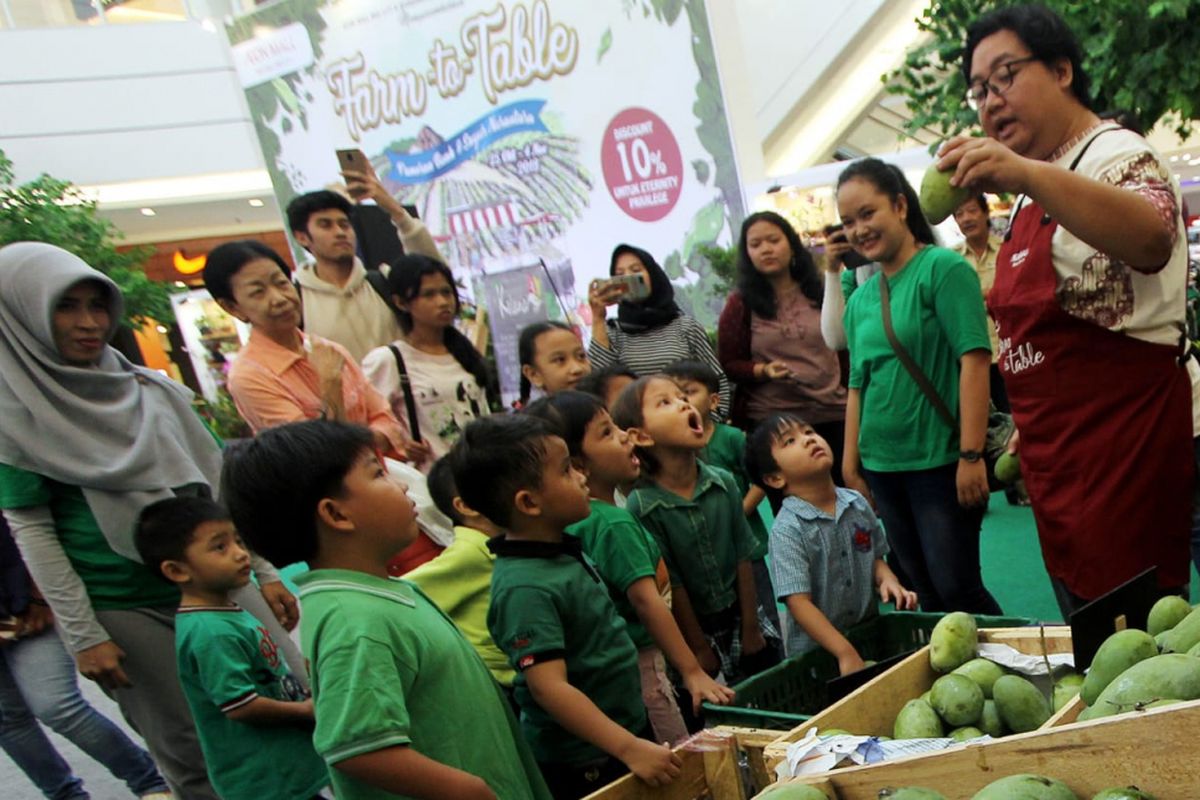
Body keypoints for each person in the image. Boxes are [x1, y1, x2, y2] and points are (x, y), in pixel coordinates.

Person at [0, 241, 301, 800]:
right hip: (126, 604)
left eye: (97, 305)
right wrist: (85, 634)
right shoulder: (13, 414)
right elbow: (33, 529)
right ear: (20, 316)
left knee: (294, 695)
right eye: (65, 308)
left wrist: (263, 569)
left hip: (221, 580)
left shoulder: (149, 388)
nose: (89, 323)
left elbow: (214, 486)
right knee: (190, 748)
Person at [941, 4, 1192, 615]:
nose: (990, 101)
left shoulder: (1113, 153)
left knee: (1140, 640)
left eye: (1005, 75)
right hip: (1061, 460)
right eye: (979, 88)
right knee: (1094, 629)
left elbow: (1153, 234)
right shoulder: (1030, 193)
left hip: (1128, 444)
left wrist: (1025, 171)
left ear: (1061, 70)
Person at [221, 419, 552, 800]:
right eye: (378, 473)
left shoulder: (373, 595)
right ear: (337, 515)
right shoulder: (354, 619)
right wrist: (472, 791)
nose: (402, 484)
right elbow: (357, 747)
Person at [455, 414, 680, 799]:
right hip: (587, 761)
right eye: (566, 471)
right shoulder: (524, 587)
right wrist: (627, 747)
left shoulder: (559, 549)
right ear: (528, 502)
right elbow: (549, 689)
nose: (582, 477)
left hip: (620, 733)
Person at [836, 159, 1002, 615]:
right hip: (882, 468)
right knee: (924, 593)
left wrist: (971, 456)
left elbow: (975, 360)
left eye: (868, 214)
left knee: (958, 588)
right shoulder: (862, 298)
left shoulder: (943, 270)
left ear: (901, 205)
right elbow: (857, 386)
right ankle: (959, 683)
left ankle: (1014, 672)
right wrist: (851, 468)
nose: (858, 229)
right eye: (848, 221)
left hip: (941, 462)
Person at [524, 392, 734, 745]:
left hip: (623, 670)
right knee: (678, 757)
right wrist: (693, 671)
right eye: (606, 433)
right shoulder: (611, 523)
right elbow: (647, 601)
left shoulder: (585, 520)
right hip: (644, 669)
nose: (624, 436)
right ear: (577, 465)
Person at [133, 497, 329, 800]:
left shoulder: (224, 610)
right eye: (220, 547)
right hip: (267, 778)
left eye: (238, 541)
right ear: (177, 571)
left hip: (286, 766)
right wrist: (304, 709)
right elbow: (241, 705)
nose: (240, 554)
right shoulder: (210, 632)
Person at [613, 377, 780, 702]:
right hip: (695, 631)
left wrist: (750, 626)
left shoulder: (725, 482)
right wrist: (699, 648)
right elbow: (671, 582)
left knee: (766, 690)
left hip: (742, 614)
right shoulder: (642, 505)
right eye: (665, 402)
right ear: (641, 436)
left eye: (683, 396)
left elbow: (743, 555)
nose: (684, 403)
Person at [0, 519, 171, 800]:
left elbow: (23, 525)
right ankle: (66, 795)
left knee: (55, 705)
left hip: (25, 605)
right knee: (8, 720)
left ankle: (149, 782)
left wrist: (41, 595)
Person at [205, 239, 408, 459]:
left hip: (379, 479)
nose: (280, 298)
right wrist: (330, 384)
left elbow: (386, 420)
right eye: (258, 292)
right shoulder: (249, 376)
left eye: (281, 283)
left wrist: (361, 441)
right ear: (232, 307)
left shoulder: (327, 348)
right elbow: (320, 455)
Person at [744, 414, 917, 669]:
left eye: (808, 431)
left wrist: (888, 580)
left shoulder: (857, 503)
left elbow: (875, 558)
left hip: (866, 636)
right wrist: (843, 652)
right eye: (790, 441)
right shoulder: (788, 529)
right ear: (774, 478)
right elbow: (798, 603)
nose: (808, 439)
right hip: (816, 656)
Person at [718, 212, 848, 467]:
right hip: (775, 422)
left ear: (791, 244)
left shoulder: (823, 289)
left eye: (773, 240)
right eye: (755, 245)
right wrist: (763, 370)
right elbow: (729, 363)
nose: (766, 249)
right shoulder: (740, 304)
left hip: (835, 413)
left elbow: (846, 349)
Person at [660, 360, 778, 634]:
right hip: (705, 558)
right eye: (671, 399)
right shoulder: (673, 453)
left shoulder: (732, 438)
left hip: (746, 547)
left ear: (713, 401)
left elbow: (760, 480)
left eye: (687, 393)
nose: (683, 403)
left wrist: (737, 513)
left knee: (764, 618)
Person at [287, 173, 443, 362]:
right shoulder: (296, 302)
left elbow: (436, 276)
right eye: (325, 225)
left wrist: (396, 211)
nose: (339, 232)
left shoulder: (383, 282)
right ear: (302, 237)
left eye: (344, 225)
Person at [362, 254, 493, 472]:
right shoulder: (390, 360)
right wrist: (400, 443)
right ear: (401, 302)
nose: (443, 302)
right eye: (428, 295)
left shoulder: (464, 351)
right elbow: (365, 423)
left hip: (483, 473)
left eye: (446, 292)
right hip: (432, 480)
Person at [403, 456, 515, 696]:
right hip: (501, 681)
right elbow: (403, 593)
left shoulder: (506, 541)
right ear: (467, 506)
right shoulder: (470, 551)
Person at [588, 244, 730, 418]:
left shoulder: (685, 327)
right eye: (620, 275)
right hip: (641, 433)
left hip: (694, 428)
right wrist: (597, 318)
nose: (628, 279)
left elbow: (717, 379)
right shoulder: (614, 333)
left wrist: (714, 424)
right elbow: (601, 384)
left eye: (635, 270)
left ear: (653, 275)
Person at [952, 194, 1009, 413]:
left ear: (986, 213)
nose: (966, 218)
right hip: (970, 356)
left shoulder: (1007, 249)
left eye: (972, 211)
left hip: (1006, 352)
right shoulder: (951, 260)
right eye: (959, 214)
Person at [517, 320, 593, 406]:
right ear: (533, 374)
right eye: (560, 360)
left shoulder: (606, 411)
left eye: (581, 356)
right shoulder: (539, 419)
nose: (577, 369)